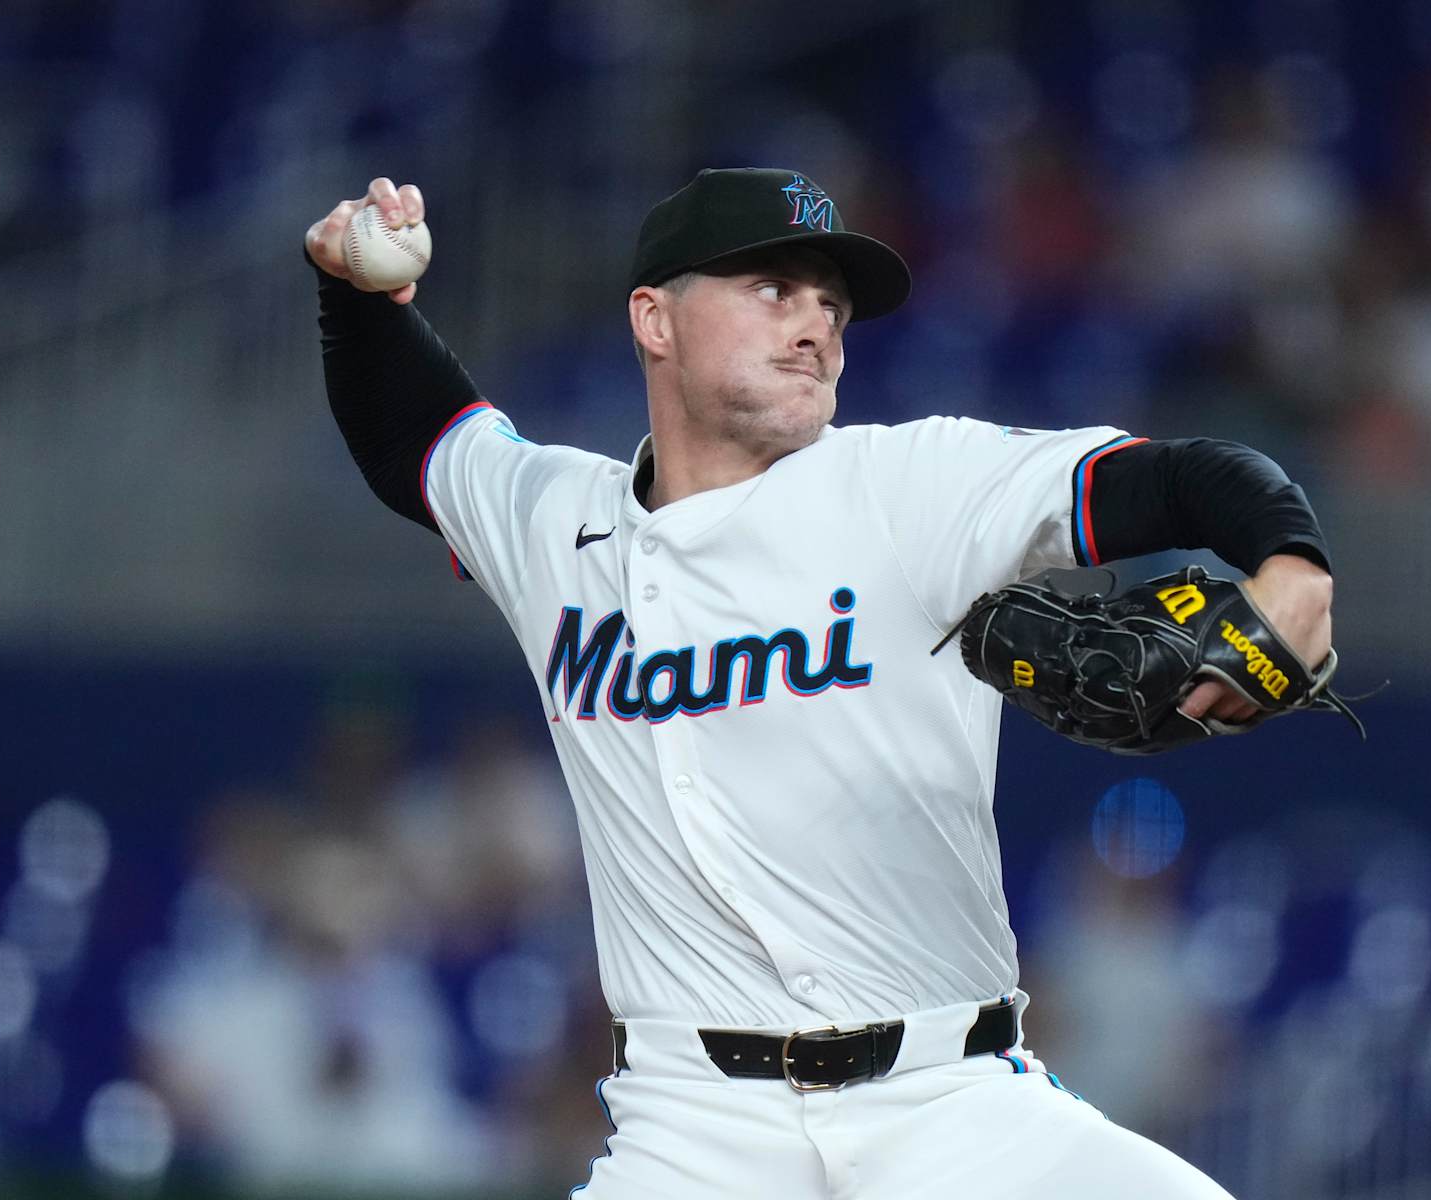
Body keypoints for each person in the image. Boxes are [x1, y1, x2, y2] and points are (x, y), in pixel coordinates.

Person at [306, 167, 1335, 1198]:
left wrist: (1289, 562)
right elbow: (417, 440)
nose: (814, 327)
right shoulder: (555, 524)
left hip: (955, 1112)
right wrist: (356, 292)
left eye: (831, 305)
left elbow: (1175, 479)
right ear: (653, 319)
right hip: (692, 1136)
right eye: (772, 290)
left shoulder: (909, 488)